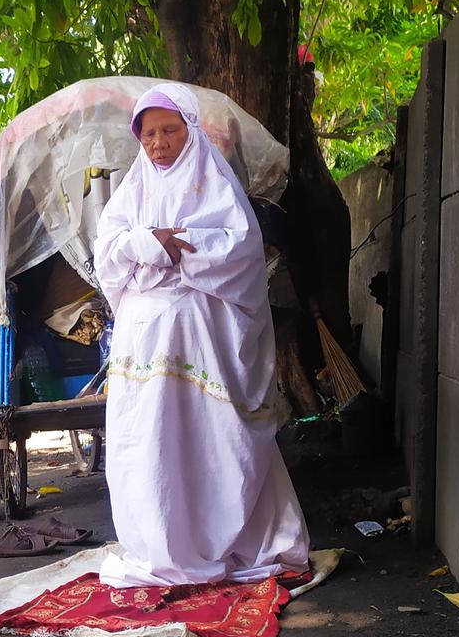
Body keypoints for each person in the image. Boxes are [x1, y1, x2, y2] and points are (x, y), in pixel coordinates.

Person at [91, 82, 310, 588]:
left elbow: (238, 251)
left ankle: (223, 539)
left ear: (188, 131)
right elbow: (108, 249)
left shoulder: (214, 185)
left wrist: (178, 249)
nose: (158, 142)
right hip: (144, 343)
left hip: (201, 340)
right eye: (148, 133)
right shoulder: (133, 190)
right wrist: (150, 243)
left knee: (207, 437)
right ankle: (161, 542)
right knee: (152, 442)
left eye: (169, 130)